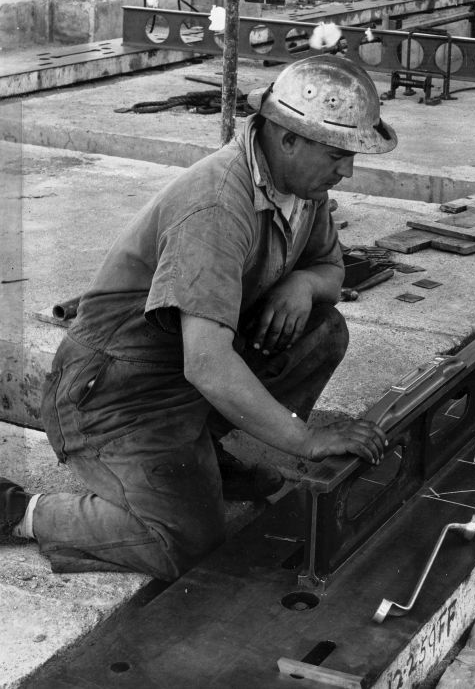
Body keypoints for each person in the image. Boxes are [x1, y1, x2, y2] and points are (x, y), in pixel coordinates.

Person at [0, 55, 395, 581]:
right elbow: (208, 365)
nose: (346, 170)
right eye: (336, 153)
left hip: (180, 373)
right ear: (287, 139)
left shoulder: (304, 189)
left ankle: (204, 452)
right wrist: (306, 440)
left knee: (321, 330)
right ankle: (19, 511)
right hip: (117, 393)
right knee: (185, 542)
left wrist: (301, 283)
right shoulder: (216, 208)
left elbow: (330, 270)